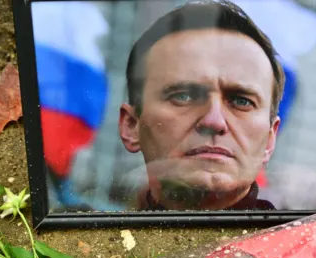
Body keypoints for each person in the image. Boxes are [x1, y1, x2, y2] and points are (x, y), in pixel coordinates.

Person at [118, 0, 285, 211]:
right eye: (184, 96)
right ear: (132, 126)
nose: (214, 121)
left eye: (241, 101)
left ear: (270, 140)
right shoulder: (83, 242)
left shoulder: (312, 243)